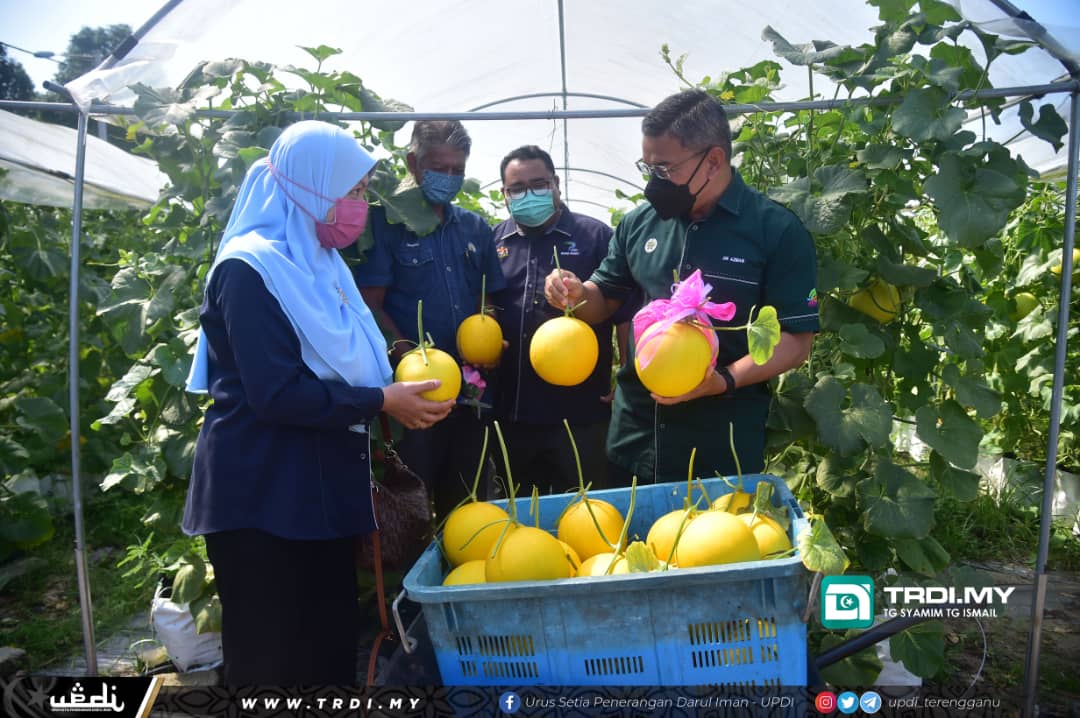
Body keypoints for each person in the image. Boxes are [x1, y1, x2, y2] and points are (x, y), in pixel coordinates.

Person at [181, 121, 455, 685]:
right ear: (310, 187)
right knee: (272, 659)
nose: (359, 207)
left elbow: (347, 363)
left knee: (328, 650)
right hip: (260, 498)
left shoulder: (322, 267)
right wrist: (381, 399)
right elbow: (275, 393)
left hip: (318, 492)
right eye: (351, 193)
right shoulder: (248, 270)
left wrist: (388, 389)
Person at [544, 89, 819, 483]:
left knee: (709, 543)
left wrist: (722, 380)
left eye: (665, 169)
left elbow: (795, 340)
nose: (654, 181)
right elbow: (604, 297)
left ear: (713, 160)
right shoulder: (640, 224)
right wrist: (575, 293)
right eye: (648, 167)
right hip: (634, 437)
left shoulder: (776, 231)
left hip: (718, 441)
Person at [353, 120, 506, 520]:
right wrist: (407, 356)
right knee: (414, 502)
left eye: (458, 170)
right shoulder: (383, 224)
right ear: (413, 163)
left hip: (471, 393)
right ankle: (415, 580)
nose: (449, 178)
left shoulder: (474, 228)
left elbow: (487, 297)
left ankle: (467, 579)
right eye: (440, 168)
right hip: (413, 396)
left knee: (469, 499)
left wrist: (488, 335)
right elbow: (370, 304)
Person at [490, 145, 635, 494]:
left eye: (539, 184)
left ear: (556, 184)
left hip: (581, 413)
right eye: (517, 189)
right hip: (511, 411)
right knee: (518, 509)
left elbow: (625, 313)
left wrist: (627, 375)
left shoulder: (596, 236)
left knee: (586, 506)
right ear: (504, 195)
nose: (529, 194)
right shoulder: (495, 240)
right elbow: (486, 305)